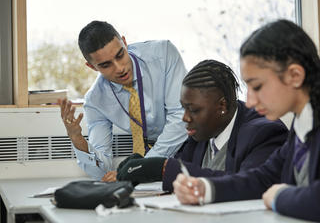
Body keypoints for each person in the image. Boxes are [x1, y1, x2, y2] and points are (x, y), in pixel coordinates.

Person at [173, 20, 320, 222]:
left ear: (295, 75)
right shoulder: (302, 124)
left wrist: (280, 196)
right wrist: (206, 189)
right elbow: (264, 177)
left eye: (257, 86)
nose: (249, 102)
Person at [116, 59, 288, 192]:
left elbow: (248, 183)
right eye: (184, 108)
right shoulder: (201, 131)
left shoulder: (266, 132)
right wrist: (144, 168)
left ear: (222, 106)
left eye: (194, 110)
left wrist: (163, 168)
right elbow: (181, 168)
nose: (185, 118)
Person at [58, 20, 188, 181]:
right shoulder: (95, 101)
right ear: (92, 67)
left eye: (120, 55)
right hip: (151, 169)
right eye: (106, 65)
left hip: (190, 150)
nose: (119, 68)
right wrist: (77, 140)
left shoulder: (164, 54)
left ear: (125, 43)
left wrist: (140, 168)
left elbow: (181, 118)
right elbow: (102, 171)